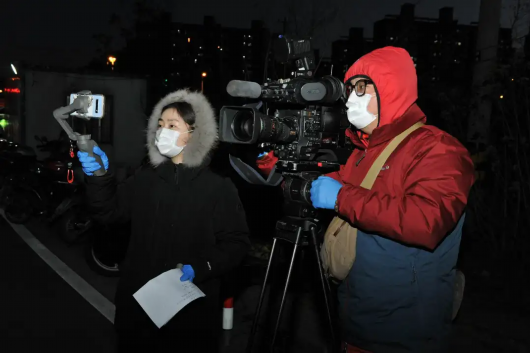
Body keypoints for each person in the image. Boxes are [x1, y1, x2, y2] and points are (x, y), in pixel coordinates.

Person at [258, 47, 475, 352]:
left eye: (362, 87)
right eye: (349, 89)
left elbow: (427, 221)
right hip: (356, 319)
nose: (351, 98)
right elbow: (321, 189)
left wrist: (342, 197)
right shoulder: (362, 154)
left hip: (405, 329)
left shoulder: (438, 150)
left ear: (392, 89)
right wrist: (281, 171)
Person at [78, 89, 250, 352]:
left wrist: (201, 267)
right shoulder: (144, 178)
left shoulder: (218, 188)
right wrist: (100, 177)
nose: (162, 132)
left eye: (172, 125)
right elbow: (107, 213)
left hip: (190, 316)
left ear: (195, 134)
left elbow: (236, 243)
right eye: (160, 125)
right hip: (138, 311)